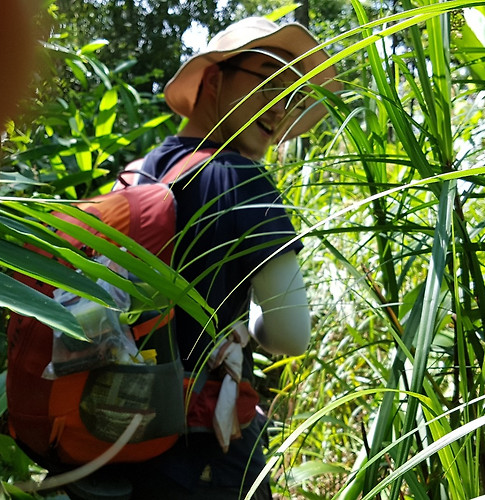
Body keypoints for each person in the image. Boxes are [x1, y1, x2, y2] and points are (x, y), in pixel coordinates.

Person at [118, 16, 340, 500]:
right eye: (268, 80)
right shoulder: (243, 179)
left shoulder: (140, 172)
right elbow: (291, 334)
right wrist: (249, 325)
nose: (282, 105)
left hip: (117, 426)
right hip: (201, 447)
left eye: (294, 93)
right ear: (215, 80)